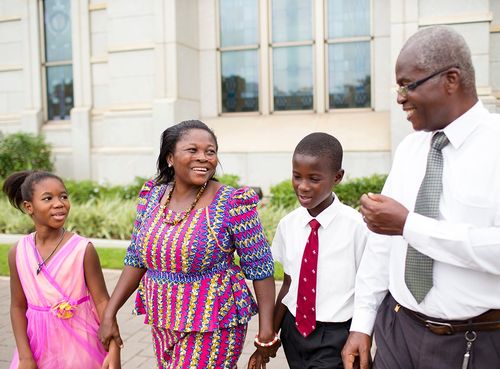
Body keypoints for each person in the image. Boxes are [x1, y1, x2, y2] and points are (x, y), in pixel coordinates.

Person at [342, 26, 500, 369]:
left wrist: (410, 226)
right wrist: (362, 324)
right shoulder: (410, 148)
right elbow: (381, 244)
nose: (400, 97)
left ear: (451, 79)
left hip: (475, 343)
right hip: (397, 332)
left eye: (408, 85)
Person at [98, 120, 279, 369]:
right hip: (164, 318)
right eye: (192, 150)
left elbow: (261, 269)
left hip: (215, 320)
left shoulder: (233, 204)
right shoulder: (151, 196)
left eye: (210, 151)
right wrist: (110, 312)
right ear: (170, 157)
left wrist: (266, 331)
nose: (203, 157)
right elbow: (136, 258)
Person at [260, 133, 367, 369]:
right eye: (297, 176)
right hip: (294, 331)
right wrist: (270, 337)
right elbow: (288, 284)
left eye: (314, 179)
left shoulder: (357, 227)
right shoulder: (289, 224)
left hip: (336, 334)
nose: (303, 186)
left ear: (337, 177)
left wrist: (362, 335)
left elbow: (367, 289)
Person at [4, 170, 121, 369]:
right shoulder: (18, 252)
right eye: (48, 198)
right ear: (29, 207)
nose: (59, 203)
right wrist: (25, 356)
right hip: (36, 349)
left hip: (81, 346)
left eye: (63, 196)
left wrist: (114, 350)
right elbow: (17, 307)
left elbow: (102, 302)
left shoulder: (83, 249)